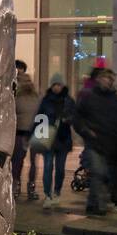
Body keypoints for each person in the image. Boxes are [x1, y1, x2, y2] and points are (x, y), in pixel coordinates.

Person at [75, 66, 117, 215]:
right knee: (99, 173)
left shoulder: (114, 98)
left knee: (103, 175)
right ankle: (99, 206)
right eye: (105, 78)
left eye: (111, 79)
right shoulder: (89, 96)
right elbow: (77, 118)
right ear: (99, 79)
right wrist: (86, 131)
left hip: (110, 144)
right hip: (94, 142)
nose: (108, 81)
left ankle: (92, 204)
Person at [34, 74, 76, 209]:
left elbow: (74, 117)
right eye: (54, 85)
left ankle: (57, 191)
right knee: (47, 167)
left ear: (62, 85)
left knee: (60, 169)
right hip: (48, 138)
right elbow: (39, 117)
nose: (56, 87)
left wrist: (67, 119)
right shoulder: (46, 100)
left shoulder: (69, 100)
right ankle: (47, 194)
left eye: (58, 84)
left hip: (63, 138)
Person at [12, 63, 41, 200]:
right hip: (30, 132)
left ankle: (17, 187)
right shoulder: (36, 97)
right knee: (30, 162)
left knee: (19, 161)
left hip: (23, 132)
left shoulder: (16, 97)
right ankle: (29, 187)